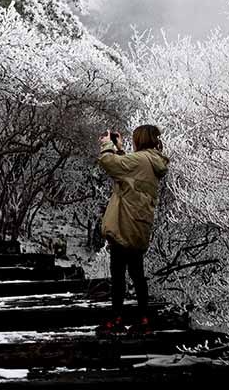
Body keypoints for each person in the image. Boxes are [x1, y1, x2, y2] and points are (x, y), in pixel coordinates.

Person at [95, 124, 169, 337]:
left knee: (118, 273)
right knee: (137, 272)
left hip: (125, 223)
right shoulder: (152, 160)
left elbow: (110, 164)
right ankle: (143, 319)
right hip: (139, 223)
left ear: (141, 139)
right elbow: (129, 173)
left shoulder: (141, 159)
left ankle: (117, 319)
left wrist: (108, 146)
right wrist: (119, 150)